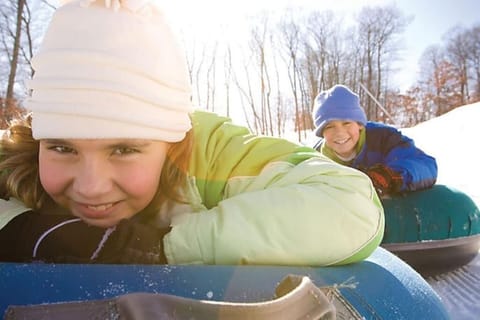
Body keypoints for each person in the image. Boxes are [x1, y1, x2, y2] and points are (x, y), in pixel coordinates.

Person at [0, 0, 384, 266]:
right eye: (62, 147)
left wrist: (159, 247)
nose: (90, 187)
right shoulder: (19, 159)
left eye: (124, 149)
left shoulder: (209, 154)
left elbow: (351, 207)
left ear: (170, 140)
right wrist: (20, 226)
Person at [312, 84, 438, 198]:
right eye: (329, 126)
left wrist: (391, 176)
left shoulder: (383, 138)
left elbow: (426, 166)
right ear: (322, 133)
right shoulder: (315, 159)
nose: (339, 133)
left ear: (360, 125)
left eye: (346, 123)